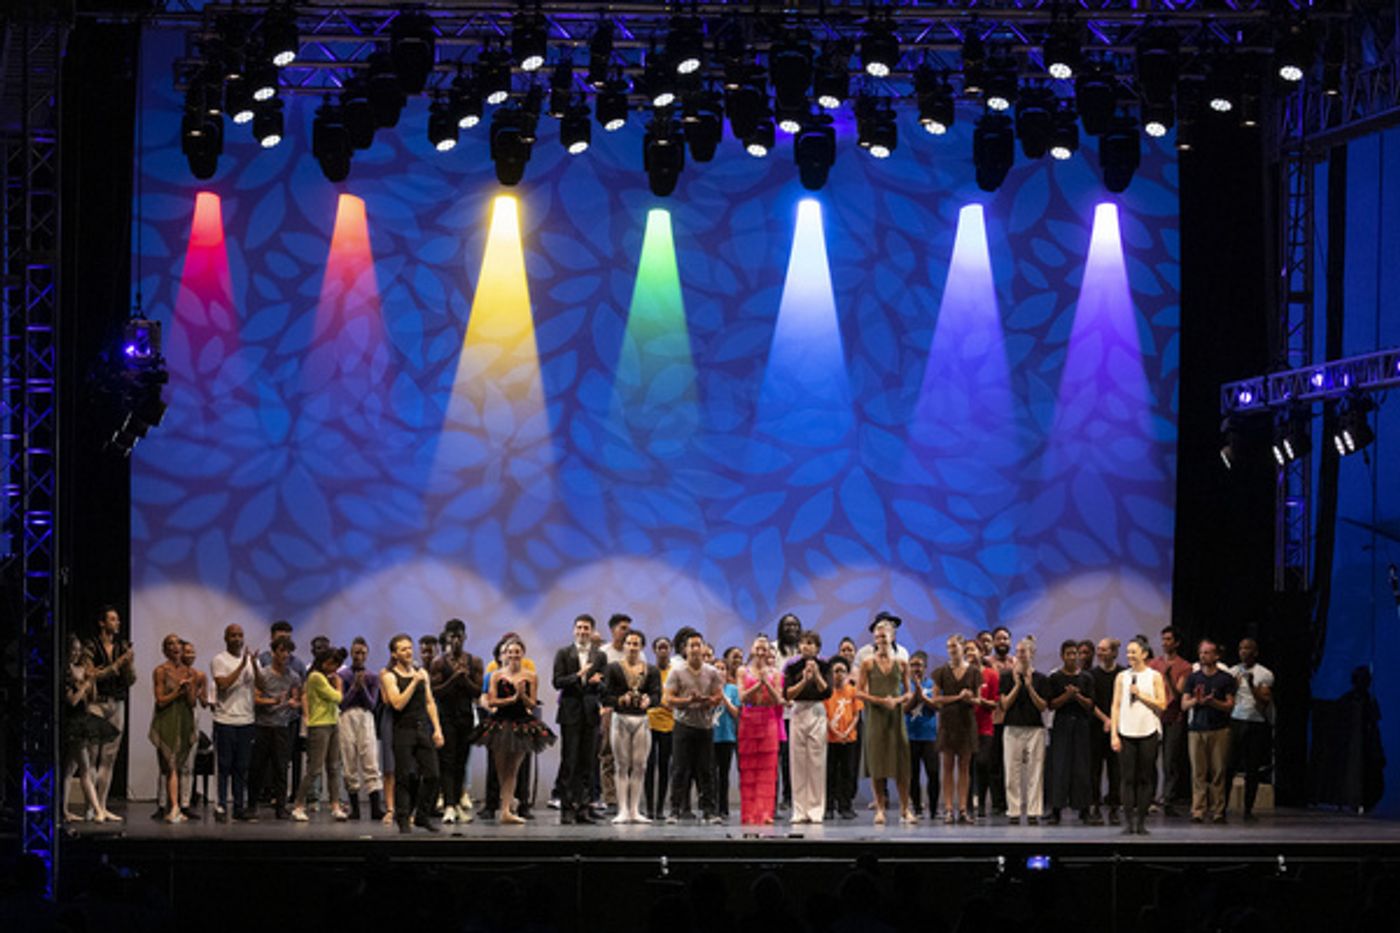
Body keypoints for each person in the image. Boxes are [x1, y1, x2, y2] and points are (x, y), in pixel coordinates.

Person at [477, 636, 555, 824]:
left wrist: (522, 696)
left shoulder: (531, 676)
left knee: (514, 768)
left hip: (522, 723)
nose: (513, 655)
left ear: (522, 654)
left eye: (517, 652)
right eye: (510, 652)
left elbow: (532, 703)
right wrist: (512, 699)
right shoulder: (496, 675)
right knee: (501, 768)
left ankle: (506, 810)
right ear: (504, 654)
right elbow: (492, 701)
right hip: (501, 722)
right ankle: (507, 803)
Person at [382, 633, 445, 833]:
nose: (408, 652)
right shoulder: (389, 675)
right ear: (394, 654)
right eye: (403, 649)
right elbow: (397, 703)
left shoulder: (421, 673)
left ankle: (422, 816)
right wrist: (413, 682)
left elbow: (429, 702)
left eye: (409, 647)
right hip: (403, 730)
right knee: (405, 776)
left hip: (422, 729)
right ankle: (402, 819)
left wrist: (437, 729)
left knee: (433, 774)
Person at [665, 631, 726, 824]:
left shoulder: (712, 672)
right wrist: (688, 700)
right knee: (680, 769)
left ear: (703, 648)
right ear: (685, 649)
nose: (695, 649)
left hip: (705, 727)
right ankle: (674, 810)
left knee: (706, 770)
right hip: (684, 725)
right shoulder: (677, 671)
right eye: (691, 646)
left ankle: (709, 811)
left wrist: (706, 700)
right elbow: (669, 699)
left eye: (698, 645)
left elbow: (718, 697)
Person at [553, 613, 607, 825]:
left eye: (587, 628)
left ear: (592, 631)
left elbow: (605, 686)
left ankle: (583, 807)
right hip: (570, 712)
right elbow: (557, 682)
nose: (583, 631)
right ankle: (567, 807)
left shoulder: (600, 656)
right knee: (570, 761)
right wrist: (578, 675)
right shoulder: (564, 653)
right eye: (580, 628)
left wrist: (596, 682)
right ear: (574, 630)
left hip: (591, 713)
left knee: (587, 762)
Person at [856, 622, 914, 824]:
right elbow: (859, 692)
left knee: (901, 763)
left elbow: (908, 692)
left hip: (895, 716)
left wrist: (896, 701)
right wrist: (881, 701)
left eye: (884, 636)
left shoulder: (902, 663)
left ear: (892, 637)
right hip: (875, 716)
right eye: (878, 637)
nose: (881, 640)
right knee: (877, 762)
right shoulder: (867, 663)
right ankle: (880, 808)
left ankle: (905, 809)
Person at [601, 629, 660, 823]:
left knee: (640, 765)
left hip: (641, 720)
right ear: (623, 646)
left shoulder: (651, 670)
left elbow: (657, 695)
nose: (633, 647)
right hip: (621, 718)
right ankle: (622, 810)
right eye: (629, 643)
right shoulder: (612, 668)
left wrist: (648, 700)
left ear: (642, 647)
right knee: (621, 765)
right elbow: (605, 696)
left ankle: (635, 809)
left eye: (636, 644)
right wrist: (620, 699)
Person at [84, 605, 135, 821]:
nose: (117, 623)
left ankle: (102, 806)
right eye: (113, 619)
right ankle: (91, 807)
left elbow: (131, 680)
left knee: (109, 757)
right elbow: (92, 675)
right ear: (102, 623)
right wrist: (118, 664)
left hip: (117, 702)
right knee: (93, 755)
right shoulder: (91, 646)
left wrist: (128, 664)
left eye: (118, 619)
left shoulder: (121, 646)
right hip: (97, 703)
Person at [1110, 636, 1165, 834]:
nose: (1130, 655)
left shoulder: (1154, 676)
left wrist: (1140, 694)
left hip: (1148, 730)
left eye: (1134, 652)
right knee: (1127, 778)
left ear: (1144, 653)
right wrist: (1114, 735)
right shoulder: (1122, 677)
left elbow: (1162, 704)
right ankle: (1128, 822)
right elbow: (1115, 706)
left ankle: (1141, 822)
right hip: (1126, 731)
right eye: (1128, 652)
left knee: (1145, 778)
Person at [430, 618, 482, 825]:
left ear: (465, 637)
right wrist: (454, 679)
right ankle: (449, 805)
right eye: (452, 636)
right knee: (447, 761)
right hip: (446, 716)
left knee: (462, 761)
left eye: (459, 636)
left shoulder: (474, 661)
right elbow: (435, 692)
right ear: (447, 638)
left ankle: (459, 803)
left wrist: (465, 679)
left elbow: (478, 691)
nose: (456, 640)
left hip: (465, 716)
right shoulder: (439, 662)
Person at [61, 634, 119, 823]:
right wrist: (85, 684)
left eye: (78, 650)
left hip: (82, 720)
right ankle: (97, 809)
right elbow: (72, 700)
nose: (76, 653)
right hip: (72, 722)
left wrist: (91, 680)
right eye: (73, 649)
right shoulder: (65, 672)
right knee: (85, 767)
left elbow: (89, 698)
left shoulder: (80, 669)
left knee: (70, 768)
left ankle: (64, 810)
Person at [209, 623, 263, 822]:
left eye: (240, 635)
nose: (237, 639)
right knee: (224, 766)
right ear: (226, 638)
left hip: (246, 721)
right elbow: (223, 685)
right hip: (225, 720)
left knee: (242, 767)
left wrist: (254, 665)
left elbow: (262, 685)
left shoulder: (250, 662)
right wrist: (241, 666)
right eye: (233, 635)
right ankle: (221, 806)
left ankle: (239, 807)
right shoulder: (219, 660)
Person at [291, 646, 349, 822]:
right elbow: (337, 698)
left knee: (333, 767)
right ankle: (298, 805)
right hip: (319, 726)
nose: (334, 668)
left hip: (333, 723)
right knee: (315, 769)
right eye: (332, 663)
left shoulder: (326, 677)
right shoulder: (315, 677)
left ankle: (335, 806)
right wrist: (338, 686)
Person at [1181, 638, 1236, 824]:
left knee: (1218, 771)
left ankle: (1219, 810)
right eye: (1201, 652)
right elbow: (1184, 704)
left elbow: (1230, 706)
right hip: (1196, 729)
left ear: (1216, 655)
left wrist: (1214, 703)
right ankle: (1198, 810)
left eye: (1207, 652)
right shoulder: (1193, 678)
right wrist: (1198, 701)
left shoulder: (1225, 678)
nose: (1203, 656)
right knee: (1198, 772)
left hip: (1219, 729)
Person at [782, 630, 831, 824]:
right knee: (798, 762)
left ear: (817, 647)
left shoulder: (825, 664)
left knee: (817, 762)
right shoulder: (792, 665)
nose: (806, 646)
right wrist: (803, 680)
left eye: (810, 643)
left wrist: (817, 675)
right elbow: (787, 695)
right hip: (798, 710)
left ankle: (816, 809)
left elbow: (827, 691)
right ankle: (799, 810)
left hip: (817, 711)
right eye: (803, 643)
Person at [1045, 639, 1096, 824]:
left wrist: (1077, 696)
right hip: (1061, 724)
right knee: (1060, 767)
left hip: (1081, 725)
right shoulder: (1055, 678)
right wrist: (1066, 696)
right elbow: (1051, 705)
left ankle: (1084, 809)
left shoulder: (1086, 678)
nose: (1073, 657)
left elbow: (1091, 704)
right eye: (1069, 654)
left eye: (1075, 653)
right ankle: (1056, 809)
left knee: (1081, 767)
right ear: (1062, 656)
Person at [249, 633, 300, 820]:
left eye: (288, 652)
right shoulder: (264, 674)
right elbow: (255, 698)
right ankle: (252, 805)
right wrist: (272, 701)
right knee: (257, 768)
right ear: (273, 653)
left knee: (281, 768)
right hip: (263, 726)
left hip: (282, 726)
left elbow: (296, 697)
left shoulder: (293, 676)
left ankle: (281, 806)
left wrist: (295, 703)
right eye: (281, 651)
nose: (285, 655)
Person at [931, 634, 980, 824]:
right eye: (948, 647)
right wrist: (957, 698)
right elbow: (936, 699)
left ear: (962, 647)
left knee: (965, 768)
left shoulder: (974, 672)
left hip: (966, 723)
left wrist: (968, 698)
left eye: (954, 646)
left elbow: (978, 699)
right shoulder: (941, 672)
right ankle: (949, 809)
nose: (951, 650)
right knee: (948, 767)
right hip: (948, 723)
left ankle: (963, 809)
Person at [149, 634, 198, 824]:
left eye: (177, 643)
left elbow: (192, 702)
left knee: (177, 766)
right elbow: (160, 700)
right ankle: (173, 807)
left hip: (184, 718)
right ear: (165, 650)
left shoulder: (189, 672)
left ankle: (176, 807)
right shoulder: (161, 671)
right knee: (169, 765)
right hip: (167, 719)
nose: (175, 647)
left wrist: (188, 691)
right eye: (170, 644)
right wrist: (177, 692)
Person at [999, 636, 1048, 825]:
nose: (1019, 655)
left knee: (1035, 772)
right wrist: (1018, 685)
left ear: (1031, 654)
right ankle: (1013, 810)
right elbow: (1004, 705)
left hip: (1035, 728)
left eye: (1023, 652)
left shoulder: (1041, 678)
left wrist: (1029, 687)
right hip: (1012, 728)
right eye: (1017, 652)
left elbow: (1043, 706)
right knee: (1012, 771)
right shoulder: (1006, 676)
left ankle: (1034, 810)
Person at [336, 637, 385, 821]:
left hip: (365, 717)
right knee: (349, 761)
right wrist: (354, 688)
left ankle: (375, 808)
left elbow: (372, 704)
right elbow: (342, 703)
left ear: (367, 654)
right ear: (351, 653)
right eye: (357, 652)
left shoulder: (372, 677)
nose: (359, 656)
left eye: (363, 653)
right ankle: (355, 808)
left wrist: (362, 687)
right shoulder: (343, 675)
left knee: (370, 760)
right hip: (347, 717)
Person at [738, 634, 784, 825]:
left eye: (764, 649)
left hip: (768, 720)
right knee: (749, 768)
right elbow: (742, 697)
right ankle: (748, 813)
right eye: (758, 647)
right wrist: (759, 684)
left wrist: (767, 683)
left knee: (767, 769)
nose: (761, 651)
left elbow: (778, 700)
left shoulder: (776, 674)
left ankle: (765, 812)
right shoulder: (743, 671)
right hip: (749, 719)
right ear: (752, 649)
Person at [1228, 638, 1274, 823]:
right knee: (1229, 766)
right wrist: (1236, 686)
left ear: (1255, 652)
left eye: (1248, 648)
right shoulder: (1232, 672)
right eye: (1241, 648)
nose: (1244, 651)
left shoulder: (1264, 673)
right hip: (1235, 721)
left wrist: (1252, 684)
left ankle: (1248, 809)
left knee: (1252, 768)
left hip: (1255, 722)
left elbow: (1264, 701)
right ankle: (1221, 808)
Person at [1150, 625, 1193, 813]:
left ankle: (1168, 800)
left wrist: (1168, 677)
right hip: (1154, 717)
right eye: (1163, 639)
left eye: (1169, 639)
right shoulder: (1154, 664)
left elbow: (1178, 695)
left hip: (1173, 717)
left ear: (1177, 643)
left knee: (1170, 762)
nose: (1165, 643)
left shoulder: (1185, 666)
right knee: (1149, 759)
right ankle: (1149, 799)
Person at [598, 612, 634, 814]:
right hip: (610, 709)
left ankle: (628, 798)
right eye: (623, 628)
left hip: (631, 712)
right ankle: (611, 800)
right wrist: (601, 707)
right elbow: (597, 683)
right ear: (613, 630)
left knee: (629, 756)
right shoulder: (604, 653)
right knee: (608, 755)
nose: (627, 632)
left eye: (629, 628)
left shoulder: (636, 653)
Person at [1089, 638, 1125, 825]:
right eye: (1099, 649)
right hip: (1097, 727)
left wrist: (1115, 723)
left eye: (1104, 650)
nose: (1100, 653)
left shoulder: (1123, 674)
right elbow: (1090, 703)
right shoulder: (1092, 675)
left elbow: (1124, 702)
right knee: (1094, 770)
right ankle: (1094, 806)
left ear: (1113, 653)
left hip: (1118, 729)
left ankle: (1114, 808)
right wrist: (1105, 720)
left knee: (1115, 770)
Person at [823, 657, 861, 820]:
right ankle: (828, 807)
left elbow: (856, 715)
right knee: (830, 773)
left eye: (842, 671)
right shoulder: (826, 692)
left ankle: (845, 806)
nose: (839, 674)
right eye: (835, 671)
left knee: (847, 773)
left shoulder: (853, 690)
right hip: (830, 740)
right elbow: (824, 715)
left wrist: (847, 732)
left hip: (849, 739)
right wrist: (835, 732)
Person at [903, 651, 939, 819]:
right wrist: (916, 693)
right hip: (910, 736)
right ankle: (916, 808)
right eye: (912, 665)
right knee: (913, 775)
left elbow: (937, 706)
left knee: (933, 773)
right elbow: (904, 709)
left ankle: (933, 810)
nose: (915, 669)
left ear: (925, 667)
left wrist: (921, 695)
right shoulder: (904, 684)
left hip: (930, 736)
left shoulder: (933, 684)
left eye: (919, 665)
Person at [967, 639, 1000, 819]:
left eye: (972, 650)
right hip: (966, 727)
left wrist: (980, 701)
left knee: (982, 763)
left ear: (981, 652)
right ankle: (968, 805)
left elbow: (995, 703)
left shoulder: (991, 674)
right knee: (967, 766)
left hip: (985, 727)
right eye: (967, 651)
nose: (969, 654)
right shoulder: (962, 674)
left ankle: (981, 801)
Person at [773, 613, 802, 812]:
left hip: (800, 712)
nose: (791, 628)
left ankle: (793, 796)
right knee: (780, 757)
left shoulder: (803, 649)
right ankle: (779, 797)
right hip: (779, 712)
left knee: (796, 758)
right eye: (787, 625)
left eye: (794, 624)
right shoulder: (774, 649)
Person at [644, 636, 675, 820]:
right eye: (659, 647)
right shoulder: (649, 671)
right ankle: (648, 808)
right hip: (649, 723)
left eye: (666, 647)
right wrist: (663, 703)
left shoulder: (675, 672)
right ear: (654, 650)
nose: (663, 650)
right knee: (649, 766)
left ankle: (660, 808)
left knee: (665, 767)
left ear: (670, 649)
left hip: (669, 725)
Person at [987, 625, 1014, 817]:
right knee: (994, 763)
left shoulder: (1015, 663)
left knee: (1011, 764)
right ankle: (998, 802)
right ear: (994, 642)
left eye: (1005, 638)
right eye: (999, 639)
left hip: (1012, 719)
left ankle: (1012, 801)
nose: (1002, 642)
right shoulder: (987, 663)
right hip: (993, 720)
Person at [714, 646, 743, 820]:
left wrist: (723, 697)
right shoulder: (707, 688)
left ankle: (723, 808)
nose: (720, 671)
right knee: (710, 774)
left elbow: (736, 713)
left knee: (723, 774)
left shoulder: (733, 690)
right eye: (716, 668)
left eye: (723, 668)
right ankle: (711, 807)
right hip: (710, 736)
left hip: (727, 736)